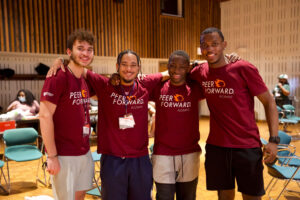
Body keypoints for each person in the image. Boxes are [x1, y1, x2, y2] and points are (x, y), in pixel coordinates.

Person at [190, 27, 278, 200]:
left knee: (252, 196)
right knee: (224, 197)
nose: (210, 49)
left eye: (215, 44)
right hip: (217, 147)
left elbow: (269, 102)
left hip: (246, 146)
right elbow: (182, 69)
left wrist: (274, 140)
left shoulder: (243, 68)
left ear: (224, 45)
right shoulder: (200, 73)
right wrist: (197, 63)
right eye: (205, 45)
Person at [39, 30, 95, 200]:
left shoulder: (84, 79)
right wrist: (52, 156)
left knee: (79, 197)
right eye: (80, 48)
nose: (85, 53)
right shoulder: (58, 77)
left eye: (89, 49)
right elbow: (44, 115)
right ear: (69, 52)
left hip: (84, 152)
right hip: (63, 155)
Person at [150, 50, 203, 200]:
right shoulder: (158, 87)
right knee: (164, 197)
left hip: (189, 154)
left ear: (188, 68)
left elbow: (212, 73)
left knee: (187, 197)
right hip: (163, 154)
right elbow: (140, 82)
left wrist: (197, 66)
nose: (176, 70)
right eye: (172, 66)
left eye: (182, 67)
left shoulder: (195, 88)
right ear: (167, 66)